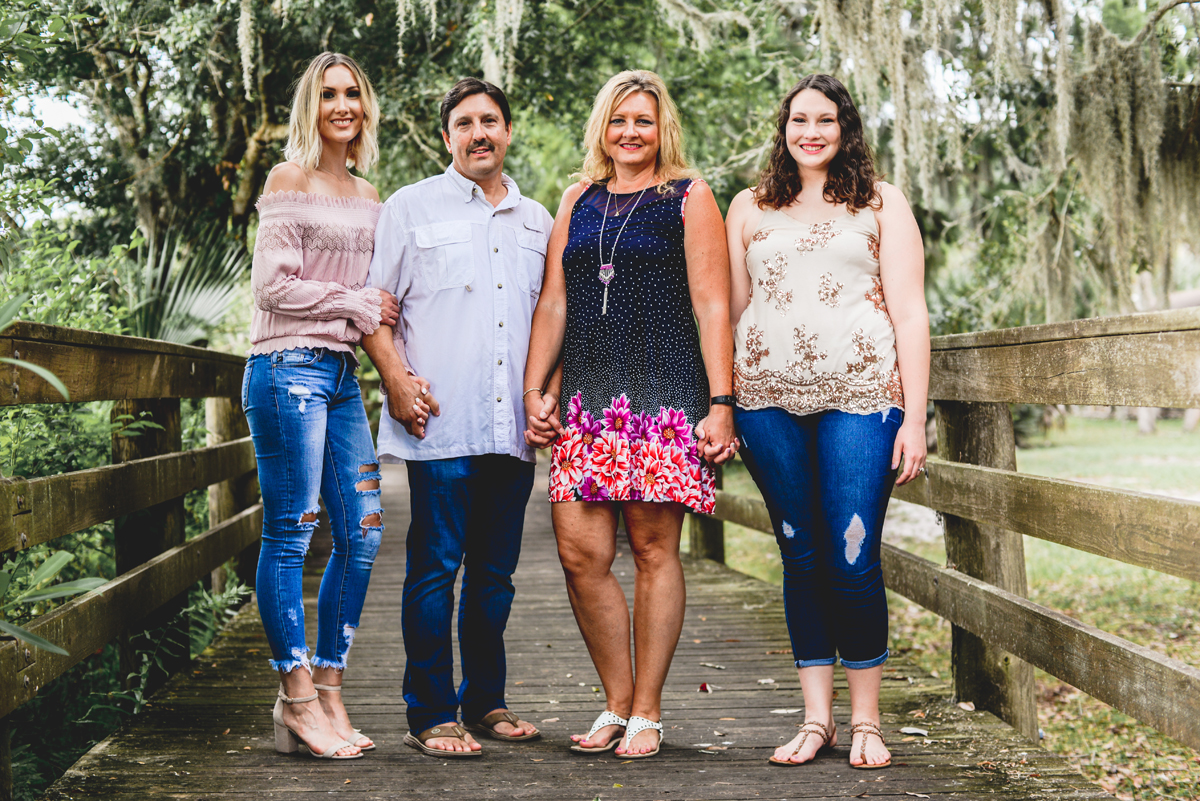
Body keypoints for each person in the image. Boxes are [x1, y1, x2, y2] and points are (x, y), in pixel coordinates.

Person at [522, 69, 737, 760]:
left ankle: (647, 711)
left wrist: (721, 402)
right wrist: (537, 387)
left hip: (661, 398)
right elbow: (555, 300)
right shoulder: (577, 197)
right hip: (587, 398)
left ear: (661, 125)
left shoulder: (688, 196)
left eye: (643, 120)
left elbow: (712, 304)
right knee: (581, 555)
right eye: (619, 120)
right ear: (602, 127)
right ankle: (616, 699)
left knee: (651, 550)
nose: (631, 132)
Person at [724, 73, 930, 769]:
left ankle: (868, 719)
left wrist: (917, 418)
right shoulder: (749, 208)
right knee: (799, 553)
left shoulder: (880, 203)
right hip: (765, 401)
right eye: (798, 120)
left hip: (864, 396)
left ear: (846, 129)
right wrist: (724, 404)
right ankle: (817, 718)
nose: (810, 132)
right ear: (783, 128)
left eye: (825, 120)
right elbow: (730, 309)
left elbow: (910, 311)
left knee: (851, 551)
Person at [362, 77, 552, 758]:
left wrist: (547, 392)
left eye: (491, 121)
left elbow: (552, 322)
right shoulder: (410, 207)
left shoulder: (539, 222)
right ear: (447, 137)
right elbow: (375, 309)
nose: (479, 132)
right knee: (435, 568)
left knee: (495, 574)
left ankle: (486, 700)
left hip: (511, 431)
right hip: (438, 424)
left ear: (507, 131)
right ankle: (431, 711)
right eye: (465, 123)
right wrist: (396, 379)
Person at [244, 52, 399, 760]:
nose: (343, 105)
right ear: (311, 105)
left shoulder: (370, 196)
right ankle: (296, 695)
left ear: (366, 107)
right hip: (285, 368)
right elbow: (273, 288)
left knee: (363, 530)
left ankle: (330, 687)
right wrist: (354, 301)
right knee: (294, 530)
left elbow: (376, 297)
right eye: (330, 94)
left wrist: (387, 338)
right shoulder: (287, 180)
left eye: (354, 94)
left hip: (338, 375)